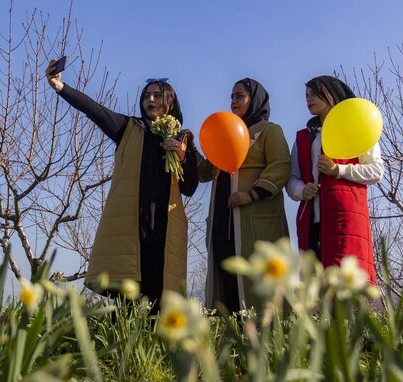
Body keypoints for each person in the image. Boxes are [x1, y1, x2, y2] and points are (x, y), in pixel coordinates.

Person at [46, 64, 198, 311]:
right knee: (128, 295)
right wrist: (60, 87)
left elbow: (190, 187)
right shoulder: (129, 128)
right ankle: (122, 347)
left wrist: (181, 157)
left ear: (169, 101)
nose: (150, 99)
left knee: (159, 299)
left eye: (156, 95)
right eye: (146, 95)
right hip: (132, 227)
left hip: (165, 227)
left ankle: (153, 348)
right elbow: (94, 110)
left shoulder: (183, 139)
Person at [197, 78, 291, 313]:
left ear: (255, 99)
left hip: (254, 223)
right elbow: (205, 173)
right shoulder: (224, 131)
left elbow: (281, 166)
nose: (234, 101)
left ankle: (263, 341)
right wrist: (185, 151)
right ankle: (231, 340)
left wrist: (251, 194)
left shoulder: (270, 131)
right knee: (226, 277)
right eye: (232, 96)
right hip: (222, 220)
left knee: (255, 283)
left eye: (240, 96)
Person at [286, 75, 384, 282]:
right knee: (315, 287)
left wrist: (337, 170)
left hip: (345, 218)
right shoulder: (303, 137)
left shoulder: (357, 126)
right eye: (306, 95)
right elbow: (291, 178)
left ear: (331, 93)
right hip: (311, 220)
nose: (308, 99)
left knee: (346, 284)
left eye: (315, 93)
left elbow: (376, 170)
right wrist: (302, 190)